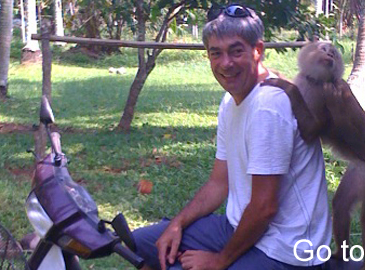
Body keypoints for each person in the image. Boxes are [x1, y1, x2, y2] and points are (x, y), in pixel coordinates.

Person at [133, 4, 331, 270]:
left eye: (236, 51)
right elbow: (219, 183)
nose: (225, 63)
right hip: (238, 226)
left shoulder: (268, 105)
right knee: (141, 245)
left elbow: (264, 207)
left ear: (257, 50)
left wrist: (219, 261)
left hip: (288, 248)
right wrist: (176, 224)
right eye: (216, 53)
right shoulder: (230, 101)